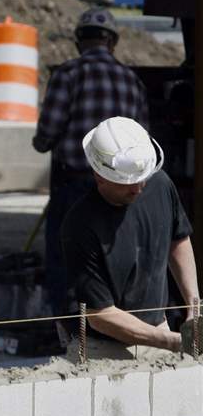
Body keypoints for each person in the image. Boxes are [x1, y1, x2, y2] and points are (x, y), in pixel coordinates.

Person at [33, 7, 150, 317]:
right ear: (112, 42)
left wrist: (42, 144)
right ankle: (117, 317)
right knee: (115, 251)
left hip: (74, 182)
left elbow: (47, 132)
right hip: (121, 185)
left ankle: (65, 322)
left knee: (66, 254)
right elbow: (143, 139)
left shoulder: (68, 74)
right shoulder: (132, 82)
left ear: (78, 42)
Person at [61, 116, 198, 361]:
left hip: (159, 332)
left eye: (141, 178)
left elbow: (178, 240)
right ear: (99, 175)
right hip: (102, 349)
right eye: (127, 183)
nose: (138, 188)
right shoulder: (80, 225)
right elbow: (101, 316)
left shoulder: (159, 184)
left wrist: (193, 308)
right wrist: (175, 341)